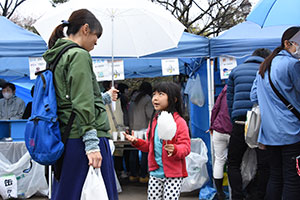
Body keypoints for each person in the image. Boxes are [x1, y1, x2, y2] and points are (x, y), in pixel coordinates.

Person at [43, 9, 118, 200]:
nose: (96, 42)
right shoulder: (79, 55)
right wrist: (92, 145)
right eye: (96, 36)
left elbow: (72, 99)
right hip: (84, 138)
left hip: (68, 136)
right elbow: (82, 104)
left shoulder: (58, 55)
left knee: (68, 193)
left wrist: (105, 97)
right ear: (85, 29)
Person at [250, 27, 300, 200]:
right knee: (293, 179)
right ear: (287, 44)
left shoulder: (264, 66)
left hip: (269, 133)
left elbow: (253, 96)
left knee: (276, 177)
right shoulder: (293, 64)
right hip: (291, 131)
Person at [124, 81, 191, 200]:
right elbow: (150, 147)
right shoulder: (154, 121)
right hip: (155, 173)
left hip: (173, 175)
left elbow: (186, 147)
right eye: (154, 94)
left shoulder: (179, 122)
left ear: (174, 99)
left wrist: (175, 149)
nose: (155, 98)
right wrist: (136, 141)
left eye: (161, 94)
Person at [226, 48, 271, 200]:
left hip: (240, 120)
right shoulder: (267, 70)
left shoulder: (235, 71)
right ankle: (257, 196)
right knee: (264, 163)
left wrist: (234, 119)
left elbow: (229, 100)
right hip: (260, 122)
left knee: (233, 162)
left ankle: (237, 196)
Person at [128, 81, 154, 183]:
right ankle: (143, 175)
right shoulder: (147, 99)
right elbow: (150, 114)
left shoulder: (133, 98)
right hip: (144, 128)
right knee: (144, 152)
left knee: (133, 152)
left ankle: (133, 174)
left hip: (133, 128)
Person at [209, 85, 232, 200]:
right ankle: (237, 191)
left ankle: (220, 193)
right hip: (235, 129)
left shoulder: (226, 88)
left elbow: (215, 107)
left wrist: (212, 125)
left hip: (219, 129)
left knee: (219, 160)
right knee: (235, 163)